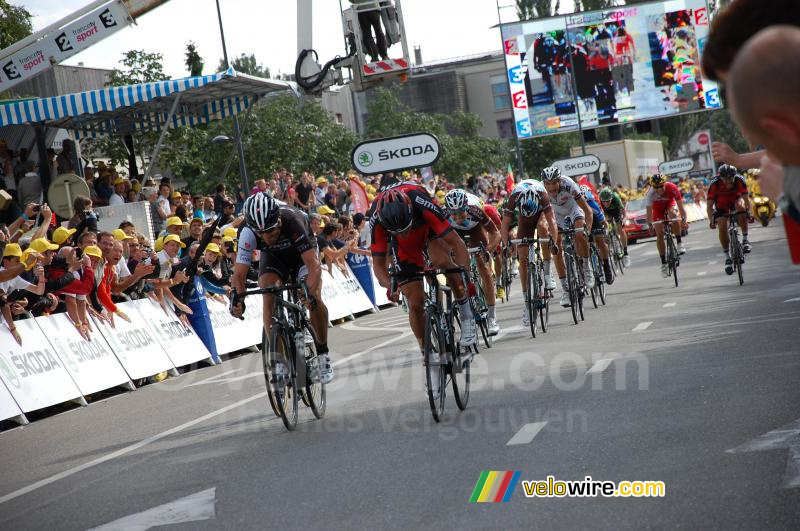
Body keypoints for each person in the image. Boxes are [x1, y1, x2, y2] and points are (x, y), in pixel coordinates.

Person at [369, 183, 478, 397]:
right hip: (402, 245)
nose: (405, 230)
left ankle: (467, 317)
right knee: (415, 301)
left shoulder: (421, 202)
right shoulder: (376, 220)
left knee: (443, 261)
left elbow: (457, 244)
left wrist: (466, 277)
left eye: (406, 226)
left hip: (428, 229)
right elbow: (379, 266)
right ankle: (429, 358)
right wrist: (391, 285)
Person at [229, 193, 333, 384]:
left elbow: (313, 265)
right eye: (260, 233)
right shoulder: (246, 232)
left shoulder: (293, 220)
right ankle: (279, 361)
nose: (266, 237)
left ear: (278, 221)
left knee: (315, 299)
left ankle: (323, 353)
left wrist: (308, 291)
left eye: (270, 231)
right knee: (268, 294)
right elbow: (239, 274)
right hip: (274, 259)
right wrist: (237, 300)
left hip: (301, 256)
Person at [443, 188, 501, 335]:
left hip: (475, 230)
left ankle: (492, 317)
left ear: (466, 207)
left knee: (485, 271)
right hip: (455, 234)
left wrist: (487, 250)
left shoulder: (476, 210)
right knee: (454, 266)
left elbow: (495, 233)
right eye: (453, 213)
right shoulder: (443, 214)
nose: (457, 217)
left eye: (460, 212)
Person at [500, 177, 558, 323]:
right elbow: (505, 225)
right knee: (523, 257)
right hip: (524, 218)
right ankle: (527, 303)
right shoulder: (514, 197)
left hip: (540, 214)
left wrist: (554, 242)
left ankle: (546, 271)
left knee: (543, 228)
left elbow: (552, 221)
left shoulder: (542, 195)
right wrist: (506, 245)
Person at [541, 166, 596, 306]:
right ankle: (566, 290)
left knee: (579, 232)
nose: (551, 187)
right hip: (556, 213)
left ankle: (586, 266)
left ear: (559, 181)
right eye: (547, 184)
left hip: (573, 207)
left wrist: (587, 231)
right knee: (556, 247)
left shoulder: (569, 185)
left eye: (554, 183)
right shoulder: (541, 191)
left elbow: (587, 210)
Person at [707, 164, 752, 275]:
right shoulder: (714, 185)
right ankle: (727, 256)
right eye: (725, 179)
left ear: (734, 176)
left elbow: (746, 200)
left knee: (741, 208)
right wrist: (711, 220)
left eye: (731, 178)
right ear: (720, 177)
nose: (728, 181)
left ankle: (745, 239)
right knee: (722, 226)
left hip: (736, 200)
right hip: (721, 206)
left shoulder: (739, 180)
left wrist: (749, 213)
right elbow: (709, 206)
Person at [645, 174, 688, 278]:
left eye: (661, 186)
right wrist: (650, 225)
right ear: (652, 187)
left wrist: (684, 220)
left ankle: (679, 243)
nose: (659, 189)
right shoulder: (650, 194)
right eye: (656, 187)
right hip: (657, 209)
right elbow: (649, 212)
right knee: (659, 234)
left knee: (673, 215)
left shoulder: (672, 188)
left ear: (665, 184)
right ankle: (663, 263)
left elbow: (681, 207)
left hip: (669, 205)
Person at [579, 184, 614, 284]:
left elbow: (605, 224)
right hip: (581, 221)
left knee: (600, 240)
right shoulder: (574, 205)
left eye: (585, 202)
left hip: (595, 222)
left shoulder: (593, 205)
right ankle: (582, 269)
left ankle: (607, 266)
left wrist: (606, 234)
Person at [599, 187, 630, 267]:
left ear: (611, 198)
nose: (606, 203)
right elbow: (601, 213)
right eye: (604, 201)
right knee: (606, 230)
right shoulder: (600, 200)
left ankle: (625, 253)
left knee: (620, 230)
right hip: (606, 213)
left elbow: (623, 211)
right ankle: (610, 248)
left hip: (616, 211)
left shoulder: (615, 198)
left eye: (608, 201)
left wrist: (624, 219)